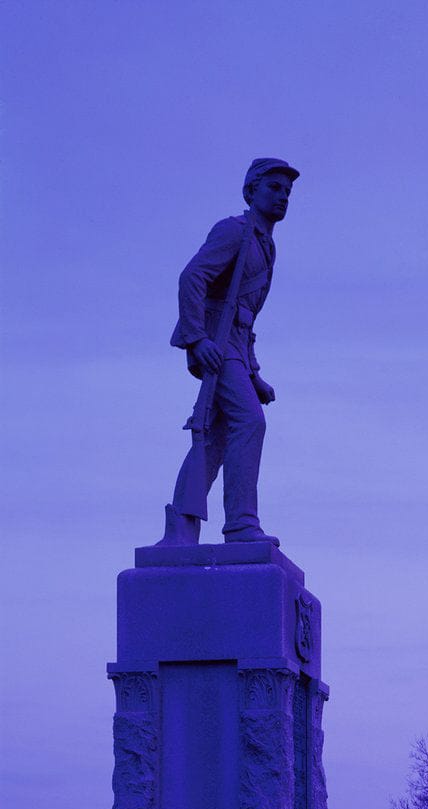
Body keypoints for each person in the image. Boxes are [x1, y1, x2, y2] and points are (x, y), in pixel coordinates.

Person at [156, 157, 299, 546]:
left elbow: (245, 316)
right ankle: (240, 525)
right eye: (273, 187)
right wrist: (197, 339)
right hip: (215, 345)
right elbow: (192, 277)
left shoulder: (266, 246)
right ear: (251, 191)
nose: (283, 196)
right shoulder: (234, 231)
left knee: (215, 438)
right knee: (250, 423)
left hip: (234, 348)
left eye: (287, 191)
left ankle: (179, 531)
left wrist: (254, 375)